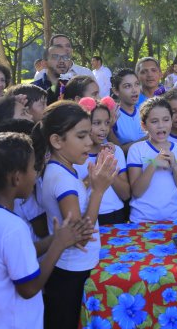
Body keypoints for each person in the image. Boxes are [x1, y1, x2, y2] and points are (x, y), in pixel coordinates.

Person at [0, 132, 94, 329]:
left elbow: (14, 255)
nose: (36, 174)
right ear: (17, 178)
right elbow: (29, 288)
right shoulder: (12, 227)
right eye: (33, 168)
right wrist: (58, 245)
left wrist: (56, 238)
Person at [32, 101, 117, 329]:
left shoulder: (62, 169)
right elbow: (79, 236)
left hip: (73, 267)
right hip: (69, 272)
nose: (89, 142)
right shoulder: (61, 179)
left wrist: (90, 182)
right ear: (57, 140)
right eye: (81, 136)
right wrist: (98, 189)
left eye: (88, 134)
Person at [127, 97, 177, 222]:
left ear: (171, 121)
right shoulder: (136, 149)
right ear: (144, 125)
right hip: (141, 220)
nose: (161, 126)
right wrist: (153, 164)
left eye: (166, 120)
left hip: (173, 220)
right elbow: (137, 192)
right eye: (154, 121)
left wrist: (175, 167)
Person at [75, 98, 130, 225]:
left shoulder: (115, 152)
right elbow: (75, 195)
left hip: (117, 215)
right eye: (97, 123)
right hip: (88, 217)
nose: (103, 128)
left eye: (106, 123)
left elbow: (126, 194)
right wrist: (99, 167)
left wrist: (108, 164)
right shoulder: (75, 155)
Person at [109, 68, 147, 152]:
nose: (134, 90)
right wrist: (148, 138)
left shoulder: (146, 113)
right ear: (116, 91)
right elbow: (118, 151)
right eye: (127, 86)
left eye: (136, 84)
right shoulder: (113, 115)